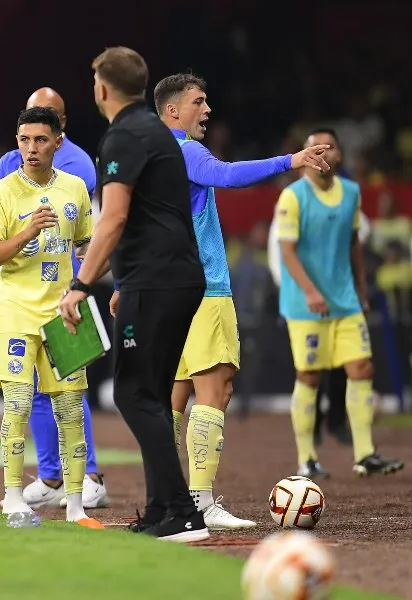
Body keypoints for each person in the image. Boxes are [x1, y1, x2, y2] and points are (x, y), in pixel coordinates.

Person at [152, 73, 331, 530]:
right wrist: (291, 159)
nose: (207, 110)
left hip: (166, 292)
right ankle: (199, 500)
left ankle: (167, 497)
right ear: (173, 111)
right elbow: (226, 176)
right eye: (199, 101)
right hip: (204, 289)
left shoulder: (147, 156)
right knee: (216, 390)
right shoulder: (186, 150)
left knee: (176, 396)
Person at [59, 47, 208, 542]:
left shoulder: (123, 135)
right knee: (152, 394)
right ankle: (165, 509)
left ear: (101, 86)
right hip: (177, 276)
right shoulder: (157, 132)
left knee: (131, 392)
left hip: (157, 279)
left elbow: (114, 218)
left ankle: (182, 512)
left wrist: (82, 284)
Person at [0, 87, 109, 510]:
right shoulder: (0, 191)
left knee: (70, 406)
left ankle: (74, 504)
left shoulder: (76, 187)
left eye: (39, 140)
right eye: (23, 140)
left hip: (65, 310)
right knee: (16, 402)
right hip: (15, 308)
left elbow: (91, 248)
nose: (30, 149)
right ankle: (13, 495)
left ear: (58, 141)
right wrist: (27, 232)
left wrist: (86, 283)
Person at [276, 128, 404, 479]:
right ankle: (307, 459)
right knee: (310, 375)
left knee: (362, 368)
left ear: (338, 156)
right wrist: (310, 291)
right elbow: (286, 250)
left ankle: (365, 454)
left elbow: (353, 245)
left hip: (345, 300)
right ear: (304, 157)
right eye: (312, 149)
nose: (320, 155)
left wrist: (361, 288)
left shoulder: (351, 193)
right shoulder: (292, 197)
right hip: (305, 305)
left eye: (326, 148)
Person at [269, 201, 369, 446]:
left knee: (342, 364)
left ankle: (336, 421)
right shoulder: (292, 203)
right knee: (309, 368)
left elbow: (363, 228)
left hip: (336, 296)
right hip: (302, 300)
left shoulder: (340, 198)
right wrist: (290, 290)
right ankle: (311, 427)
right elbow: (278, 253)